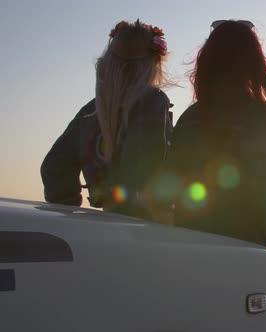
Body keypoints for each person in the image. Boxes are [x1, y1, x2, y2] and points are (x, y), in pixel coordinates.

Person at [163, 20, 266, 263]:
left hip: (193, 255)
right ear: (253, 63)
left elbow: (169, 190)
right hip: (248, 255)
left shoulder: (189, 118)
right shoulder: (263, 118)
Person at [41, 20, 173, 221]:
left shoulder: (90, 111)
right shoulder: (152, 101)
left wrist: (68, 215)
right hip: (147, 226)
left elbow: (54, 165)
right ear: (151, 65)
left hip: (109, 223)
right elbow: (140, 167)